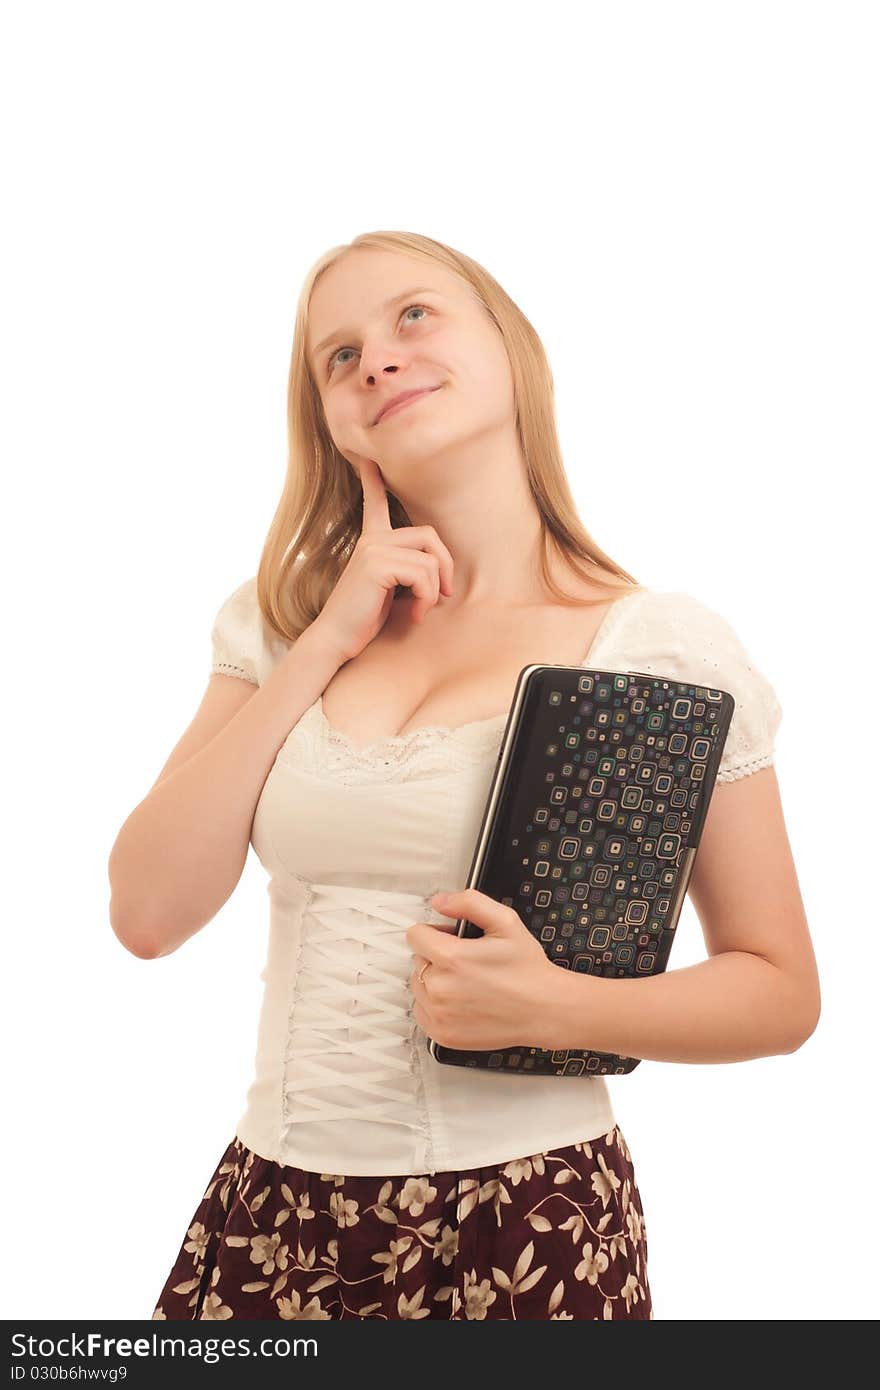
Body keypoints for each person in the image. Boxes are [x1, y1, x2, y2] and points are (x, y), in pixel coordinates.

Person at [108, 230, 820, 1321]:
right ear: (327, 421)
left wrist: (561, 1005)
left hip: (525, 1218)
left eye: (414, 316)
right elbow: (148, 912)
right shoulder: (282, 623)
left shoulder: (651, 646)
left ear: (510, 344)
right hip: (269, 1204)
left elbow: (778, 987)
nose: (376, 361)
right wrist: (321, 644)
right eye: (337, 357)